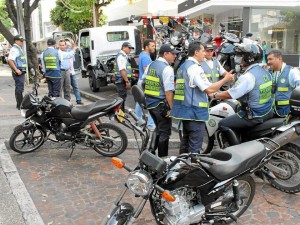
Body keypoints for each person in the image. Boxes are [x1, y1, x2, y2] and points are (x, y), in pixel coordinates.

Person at [170, 41, 234, 154]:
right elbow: (208, 89)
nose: (205, 54)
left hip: (185, 111)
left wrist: (216, 94)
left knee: (186, 142)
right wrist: (225, 79)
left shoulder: (183, 66)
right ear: (196, 52)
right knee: (194, 147)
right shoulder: (194, 68)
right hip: (195, 113)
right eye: (203, 51)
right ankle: (191, 169)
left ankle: (182, 167)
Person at [212, 42, 274, 146]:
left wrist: (215, 95)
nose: (238, 58)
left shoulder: (248, 76)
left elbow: (231, 94)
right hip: (267, 111)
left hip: (253, 115)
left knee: (223, 124)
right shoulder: (264, 71)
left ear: (249, 58)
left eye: (241, 56)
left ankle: (236, 151)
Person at [142, 44, 178, 157]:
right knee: (165, 133)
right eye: (173, 54)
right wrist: (172, 108)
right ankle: (163, 159)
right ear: (165, 54)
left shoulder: (151, 65)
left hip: (151, 104)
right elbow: (168, 91)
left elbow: (143, 81)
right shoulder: (167, 69)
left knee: (158, 129)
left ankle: (151, 152)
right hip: (161, 106)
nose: (175, 56)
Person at [267, 49, 300, 117]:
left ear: (279, 58)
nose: (268, 62)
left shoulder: (292, 71)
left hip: (286, 113)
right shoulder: (268, 72)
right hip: (270, 112)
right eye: (267, 60)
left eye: (270, 59)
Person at [135, 39, 156, 130]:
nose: (154, 48)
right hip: (145, 82)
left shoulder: (142, 54)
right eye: (152, 46)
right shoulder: (146, 57)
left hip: (140, 81)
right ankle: (150, 125)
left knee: (139, 103)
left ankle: (138, 120)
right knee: (151, 103)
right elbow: (146, 71)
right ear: (147, 47)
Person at [7, 35, 27, 110]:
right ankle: (20, 104)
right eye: (21, 41)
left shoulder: (18, 48)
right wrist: (16, 70)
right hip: (19, 71)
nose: (22, 42)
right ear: (16, 41)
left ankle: (19, 104)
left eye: (22, 41)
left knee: (19, 87)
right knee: (19, 88)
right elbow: (10, 60)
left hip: (20, 71)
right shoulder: (15, 49)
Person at [114, 41, 134, 111]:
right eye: (129, 48)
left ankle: (121, 115)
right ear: (124, 47)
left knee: (122, 98)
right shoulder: (121, 57)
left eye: (131, 48)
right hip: (121, 80)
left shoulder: (124, 56)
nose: (130, 50)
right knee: (122, 99)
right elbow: (122, 70)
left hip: (121, 80)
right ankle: (120, 117)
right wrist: (127, 81)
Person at [66, 40, 83, 104]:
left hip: (72, 72)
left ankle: (78, 100)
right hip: (66, 72)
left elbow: (73, 61)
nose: (68, 47)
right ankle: (68, 101)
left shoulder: (71, 53)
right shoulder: (64, 53)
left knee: (75, 87)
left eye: (69, 46)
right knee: (68, 88)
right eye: (67, 45)